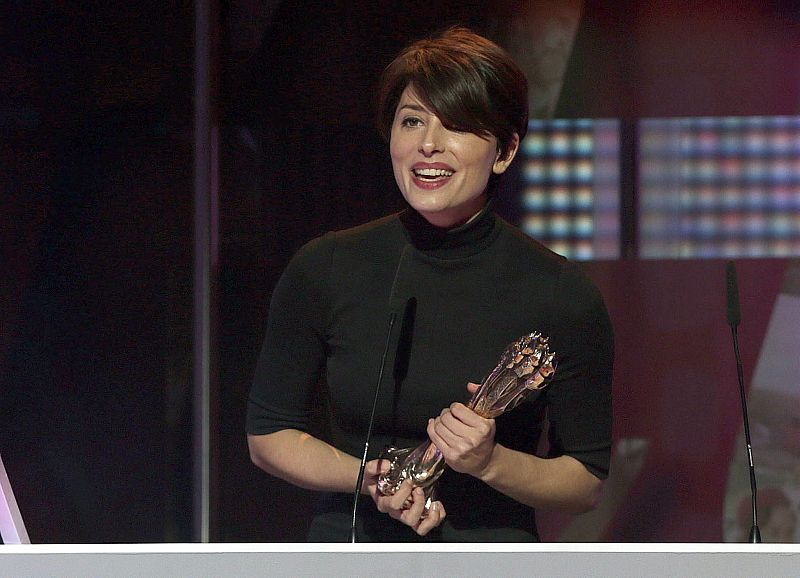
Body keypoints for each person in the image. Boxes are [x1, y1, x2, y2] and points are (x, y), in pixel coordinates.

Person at [246, 26, 613, 542]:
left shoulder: (560, 291)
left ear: (504, 151)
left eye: (457, 126)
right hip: (352, 551)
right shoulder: (326, 266)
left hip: (490, 556)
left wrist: (490, 462)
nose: (429, 146)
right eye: (412, 121)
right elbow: (269, 434)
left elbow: (584, 481)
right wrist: (371, 480)